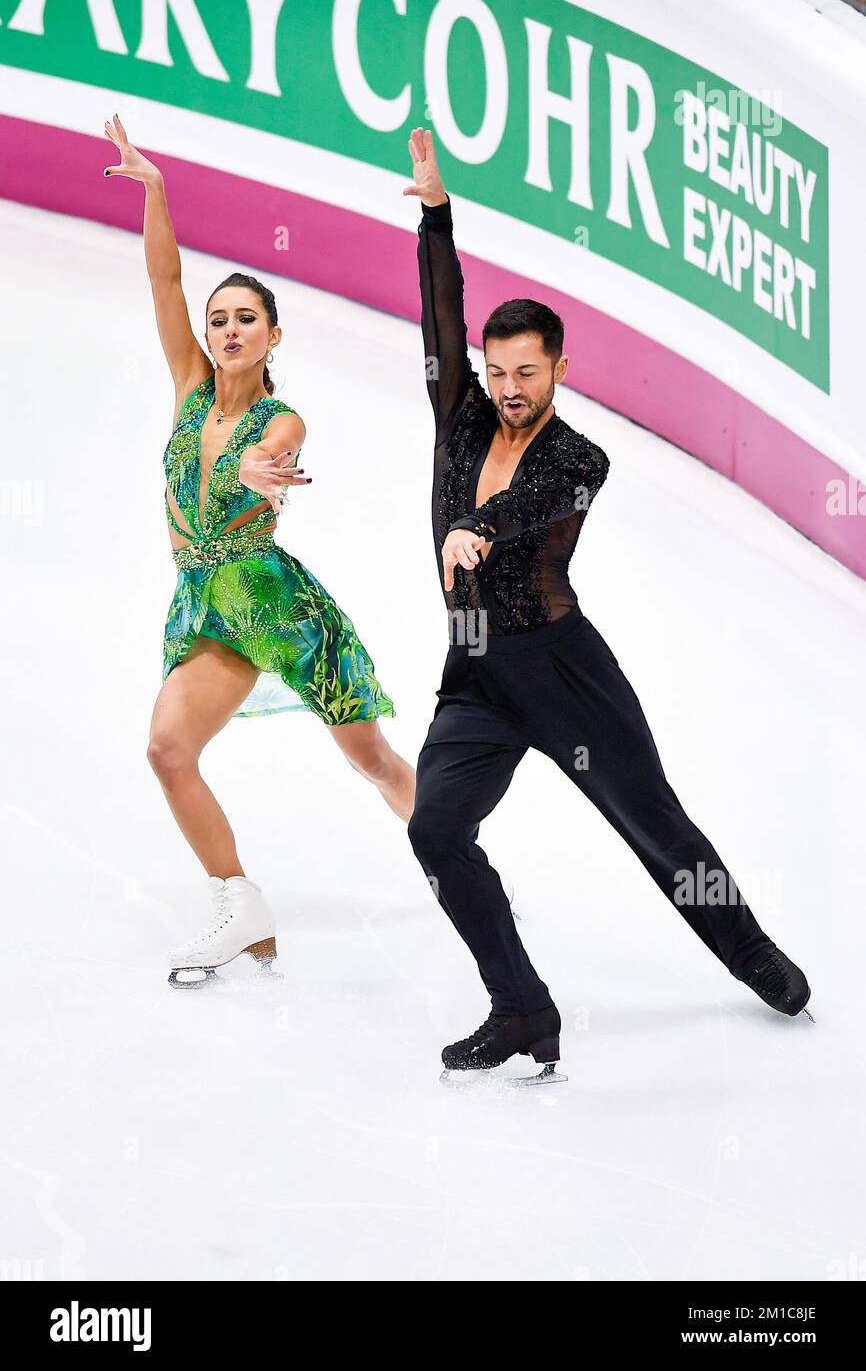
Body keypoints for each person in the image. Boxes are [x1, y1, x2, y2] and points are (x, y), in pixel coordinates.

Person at [402, 127, 812, 1079]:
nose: (507, 390)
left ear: (560, 371)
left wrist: (479, 527)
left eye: (526, 374)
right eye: (496, 373)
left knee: (655, 827)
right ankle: (522, 1007)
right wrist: (434, 216)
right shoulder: (460, 414)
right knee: (434, 830)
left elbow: (533, 505)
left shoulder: (583, 457)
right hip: (474, 673)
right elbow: (438, 318)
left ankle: (751, 954)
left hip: (564, 674)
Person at [102, 113, 414, 988]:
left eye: (247, 319)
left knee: (372, 760)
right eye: (220, 320)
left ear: (275, 336)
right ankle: (241, 905)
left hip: (269, 609)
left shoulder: (282, 419)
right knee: (168, 748)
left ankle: (447, 842)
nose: (229, 329)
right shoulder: (190, 388)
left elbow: (276, 459)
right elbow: (164, 279)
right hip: (202, 603)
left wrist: (263, 476)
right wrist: (158, 191)